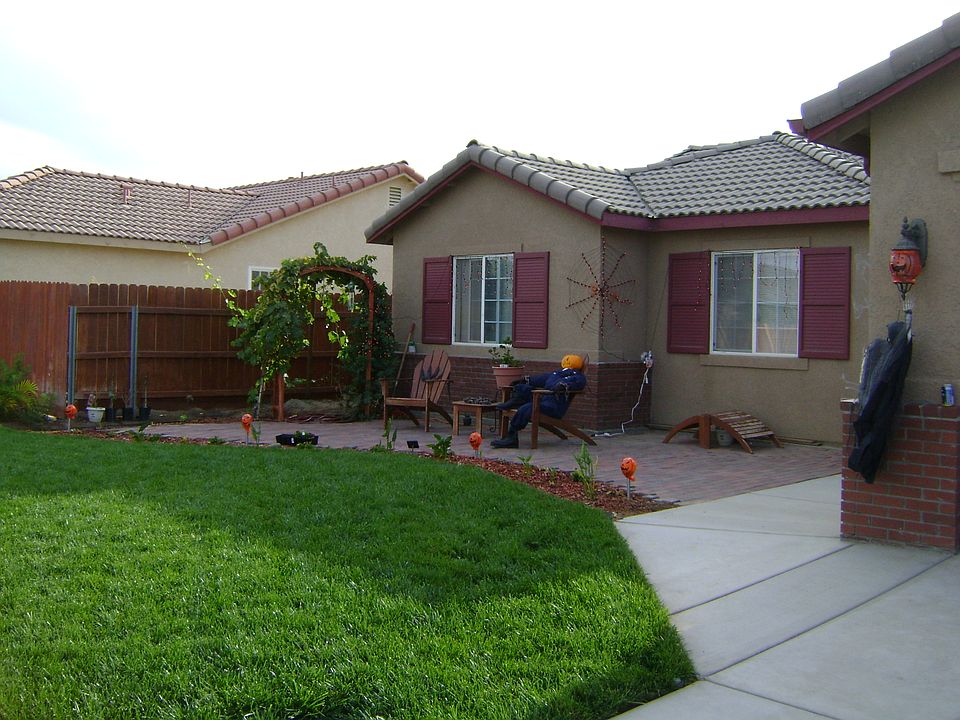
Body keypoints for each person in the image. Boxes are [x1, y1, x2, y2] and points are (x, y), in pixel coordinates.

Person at [491, 354, 587, 449]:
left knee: (527, 408)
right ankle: (515, 401)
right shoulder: (556, 374)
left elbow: (579, 383)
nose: (567, 361)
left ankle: (512, 438)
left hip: (553, 407)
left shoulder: (578, 376)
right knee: (522, 387)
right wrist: (524, 380)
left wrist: (563, 385)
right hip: (543, 401)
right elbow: (540, 379)